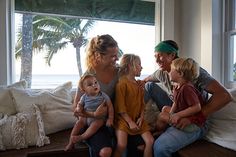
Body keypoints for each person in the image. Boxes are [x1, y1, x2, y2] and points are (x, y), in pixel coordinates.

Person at [144, 40, 232, 157]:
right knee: (149, 86)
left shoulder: (191, 71)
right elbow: (149, 78)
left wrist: (193, 118)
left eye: (160, 55)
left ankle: (164, 129)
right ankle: (145, 122)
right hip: (179, 108)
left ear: (172, 55)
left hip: (196, 119)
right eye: (155, 56)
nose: (156, 60)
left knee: (160, 147)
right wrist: (140, 82)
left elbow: (225, 96)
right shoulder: (162, 72)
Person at [73, 34, 119, 157]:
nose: (117, 58)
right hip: (93, 123)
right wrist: (93, 114)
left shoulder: (119, 72)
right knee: (104, 152)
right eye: (113, 56)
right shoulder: (89, 76)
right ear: (98, 56)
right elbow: (76, 110)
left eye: (117, 54)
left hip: (114, 120)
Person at [113, 54, 154, 157]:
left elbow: (141, 104)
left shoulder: (138, 84)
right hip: (124, 120)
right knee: (121, 145)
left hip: (138, 119)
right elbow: (120, 107)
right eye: (139, 64)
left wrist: (141, 117)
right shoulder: (122, 84)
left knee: (150, 141)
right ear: (130, 66)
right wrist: (130, 122)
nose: (142, 67)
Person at [65, 74, 114, 151]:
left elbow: (110, 106)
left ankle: (82, 137)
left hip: (98, 119)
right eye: (90, 85)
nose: (94, 85)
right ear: (84, 90)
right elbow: (80, 104)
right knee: (78, 123)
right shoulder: (84, 97)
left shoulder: (103, 95)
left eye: (95, 82)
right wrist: (79, 108)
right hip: (86, 117)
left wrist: (110, 118)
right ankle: (71, 142)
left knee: (98, 123)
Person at [156, 57, 205, 134]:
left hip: (193, 123)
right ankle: (167, 127)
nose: (169, 73)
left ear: (180, 74)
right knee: (165, 108)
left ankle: (157, 132)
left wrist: (177, 115)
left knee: (161, 116)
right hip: (184, 114)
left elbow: (197, 107)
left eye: (171, 70)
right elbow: (175, 102)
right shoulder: (177, 86)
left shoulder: (187, 88)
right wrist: (171, 115)